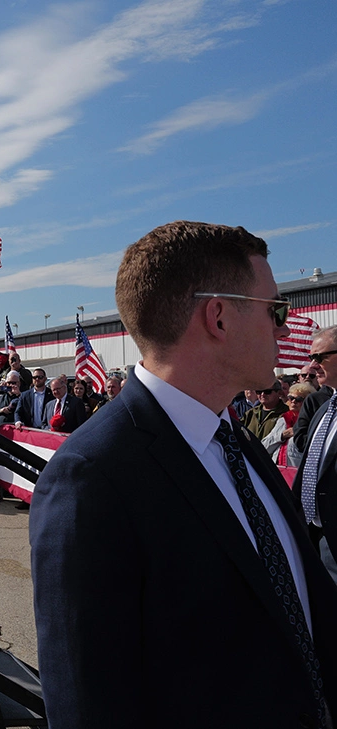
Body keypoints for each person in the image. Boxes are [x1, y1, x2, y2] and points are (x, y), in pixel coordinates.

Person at [31, 221, 337, 728]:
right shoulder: (91, 476)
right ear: (218, 317)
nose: (284, 330)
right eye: (275, 310)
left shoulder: (234, 439)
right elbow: (87, 700)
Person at [294, 325, 337, 585]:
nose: (312, 365)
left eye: (319, 357)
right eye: (311, 357)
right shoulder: (323, 410)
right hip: (315, 536)